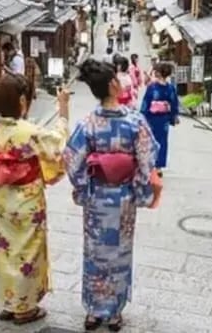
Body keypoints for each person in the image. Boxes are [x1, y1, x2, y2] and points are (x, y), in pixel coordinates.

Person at [62, 59, 159, 332]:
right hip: (124, 199)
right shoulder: (135, 121)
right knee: (119, 254)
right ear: (113, 85)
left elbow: (71, 159)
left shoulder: (88, 123)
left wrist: (83, 187)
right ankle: (114, 313)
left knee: (95, 253)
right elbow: (147, 157)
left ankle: (93, 311)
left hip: (96, 199)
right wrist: (138, 187)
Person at [0, 73, 70, 325]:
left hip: (2, 201)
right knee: (28, 251)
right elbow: (58, 146)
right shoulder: (29, 131)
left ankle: (9, 301)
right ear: (22, 101)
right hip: (28, 202)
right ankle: (24, 308)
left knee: (6, 252)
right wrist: (63, 109)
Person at [141, 62, 179, 177]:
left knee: (150, 141)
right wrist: (174, 116)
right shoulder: (171, 88)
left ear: (158, 73)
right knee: (162, 142)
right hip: (164, 119)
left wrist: (142, 116)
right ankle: (158, 167)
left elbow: (146, 102)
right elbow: (174, 103)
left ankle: (151, 165)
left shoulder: (152, 87)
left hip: (152, 118)